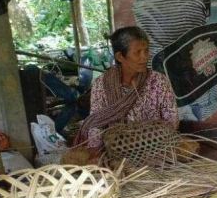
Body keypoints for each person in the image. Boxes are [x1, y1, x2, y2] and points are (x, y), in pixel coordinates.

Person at [74, 26, 178, 154]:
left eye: (146, 51)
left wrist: (149, 141)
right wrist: (96, 153)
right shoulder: (102, 84)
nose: (144, 57)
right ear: (120, 56)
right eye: (137, 52)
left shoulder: (158, 82)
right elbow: (97, 123)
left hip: (156, 148)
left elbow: (172, 120)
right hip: (117, 150)